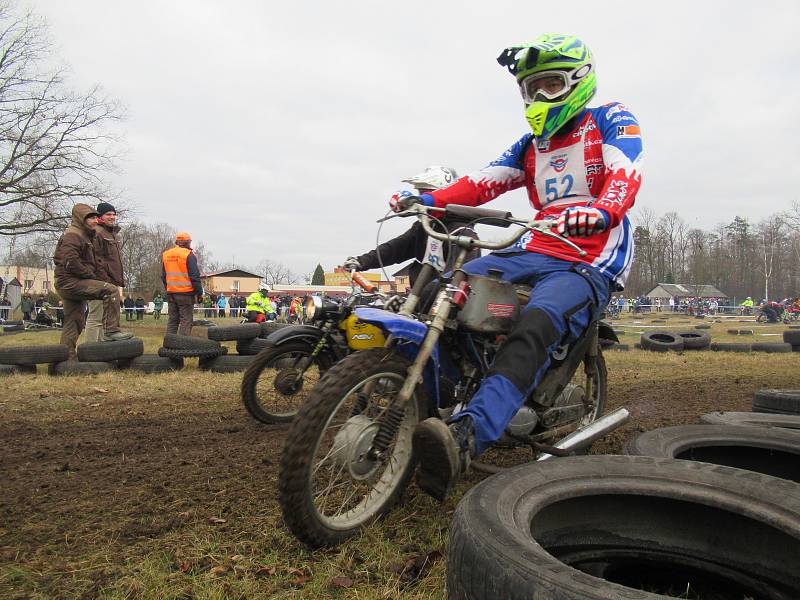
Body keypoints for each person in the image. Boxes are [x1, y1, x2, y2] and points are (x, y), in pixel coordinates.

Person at [404, 34, 643, 501]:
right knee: (452, 290)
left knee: (538, 319)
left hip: (590, 255)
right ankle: (445, 398)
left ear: (578, 81)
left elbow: (626, 171)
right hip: (536, 245)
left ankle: (470, 435)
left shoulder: (609, 118)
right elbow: (482, 183)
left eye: (550, 85)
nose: (538, 98)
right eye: (529, 90)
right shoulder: (531, 143)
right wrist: (427, 199)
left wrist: (603, 210)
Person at [342, 166, 479, 287]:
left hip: (442, 308)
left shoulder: (463, 234)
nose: (422, 200)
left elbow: (458, 279)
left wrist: (426, 296)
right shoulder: (425, 227)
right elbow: (395, 248)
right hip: (419, 304)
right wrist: (361, 261)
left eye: (427, 194)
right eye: (421, 194)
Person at [53, 204, 128, 359]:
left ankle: (65, 357)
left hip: (71, 281)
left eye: (95, 217)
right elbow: (69, 261)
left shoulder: (86, 235)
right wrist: (89, 275)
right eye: (91, 218)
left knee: (75, 321)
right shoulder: (73, 235)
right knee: (110, 291)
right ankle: (111, 331)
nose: (95, 220)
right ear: (81, 219)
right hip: (70, 282)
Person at [85, 202, 129, 343]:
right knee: (96, 316)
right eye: (108, 214)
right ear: (100, 216)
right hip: (100, 282)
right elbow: (97, 260)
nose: (112, 217)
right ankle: (90, 350)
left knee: (104, 318)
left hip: (110, 283)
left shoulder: (110, 234)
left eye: (114, 214)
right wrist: (103, 282)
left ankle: (101, 348)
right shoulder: (97, 233)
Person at [161, 231, 203, 336]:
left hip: (171, 293)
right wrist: (199, 292)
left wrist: (169, 289)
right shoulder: (188, 255)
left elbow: (163, 276)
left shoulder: (166, 255)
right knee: (186, 320)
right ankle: (182, 346)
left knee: (173, 321)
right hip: (186, 294)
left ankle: (169, 345)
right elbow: (194, 277)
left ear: (177, 242)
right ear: (188, 242)